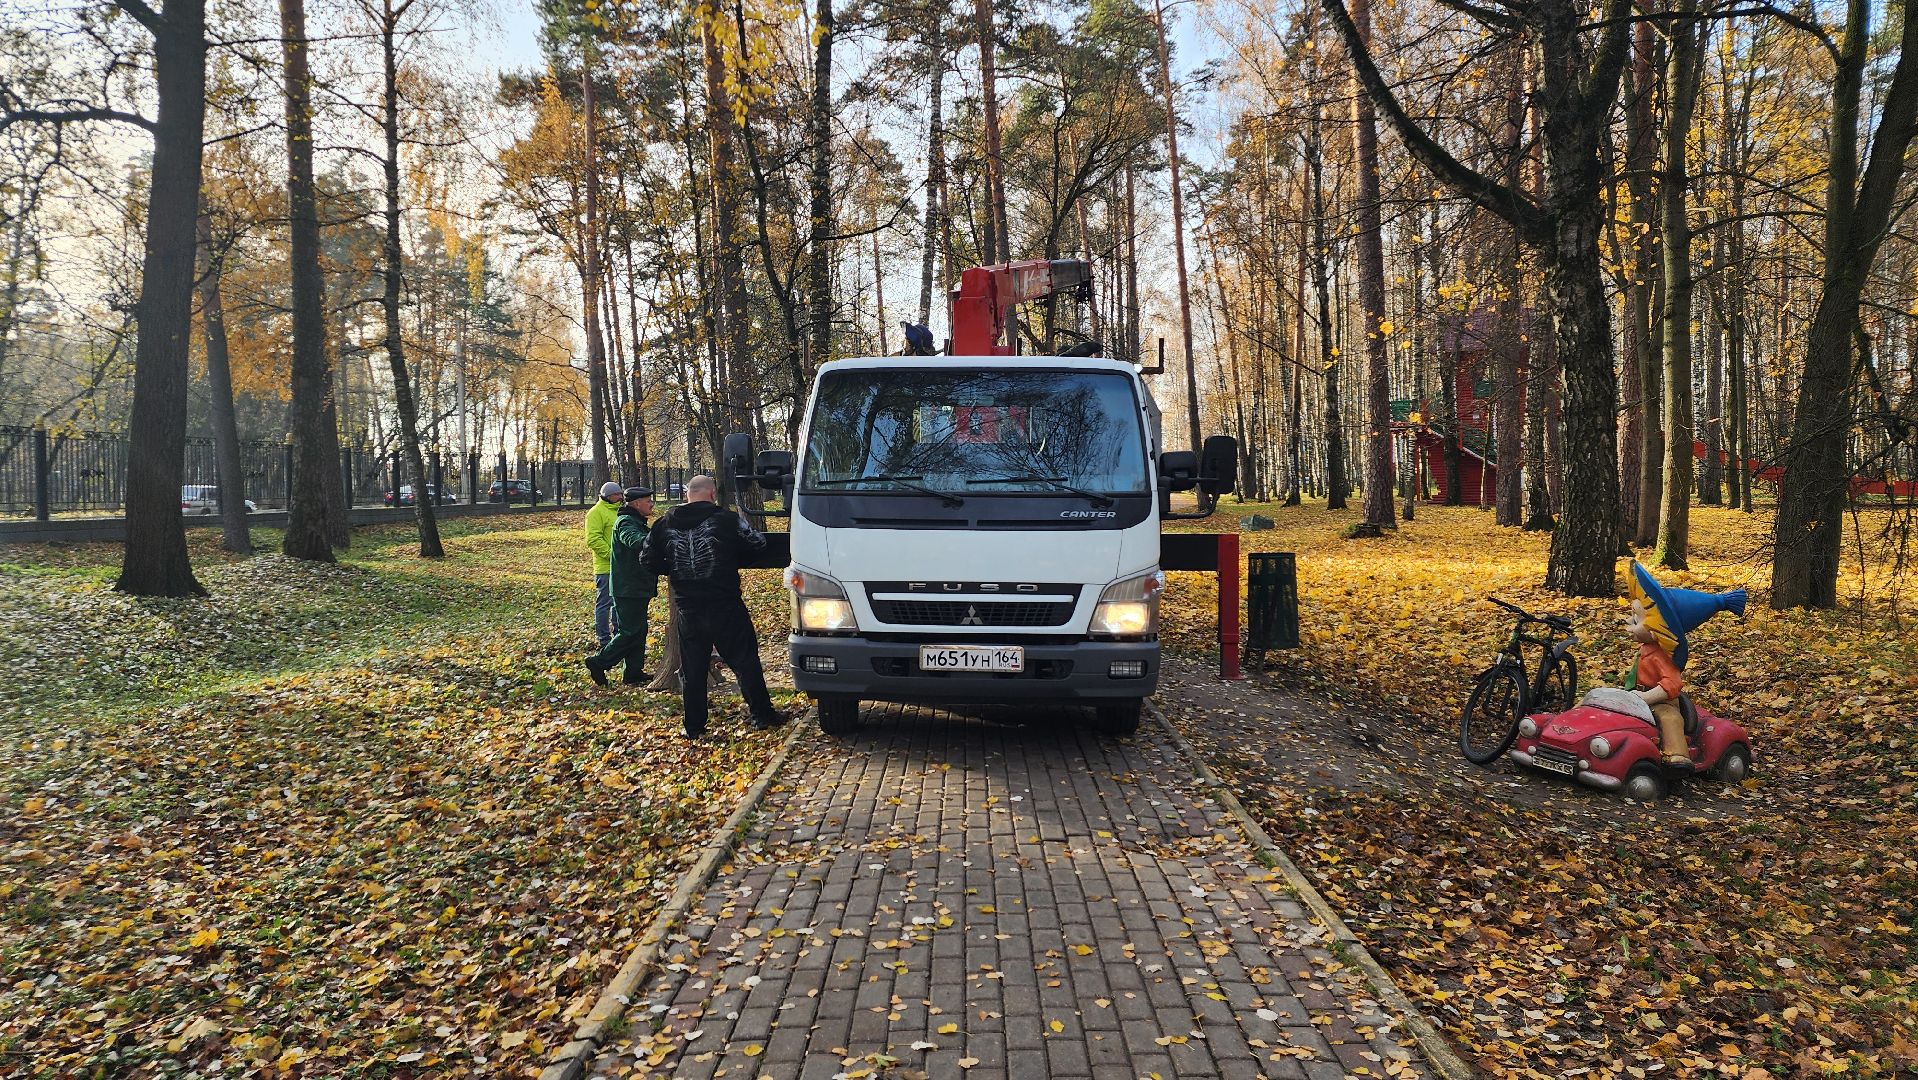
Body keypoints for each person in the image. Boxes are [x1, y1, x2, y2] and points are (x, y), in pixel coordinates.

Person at [641, 474, 784, 738]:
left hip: (688, 607)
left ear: (688, 494)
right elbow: (758, 543)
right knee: (745, 660)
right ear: (711, 494)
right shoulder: (726, 520)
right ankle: (762, 715)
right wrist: (732, 556)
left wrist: (672, 568)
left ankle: (694, 726)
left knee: (693, 668)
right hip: (725, 603)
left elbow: (647, 558)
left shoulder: (664, 524)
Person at [1621, 561, 1746, 767]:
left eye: (1636, 620)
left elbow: (1672, 684)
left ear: (1657, 628)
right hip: (1637, 696)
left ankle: (1677, 756)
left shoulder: (1663, 658)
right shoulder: (1646, 649)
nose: (1629, 625)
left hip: (1661, 701)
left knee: (1670, 718)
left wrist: (1646, 697)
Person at [585, 486, 657, 687]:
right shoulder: (626, 522)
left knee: (638, 630)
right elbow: (635, 541)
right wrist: (658, 538)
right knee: (629, 632)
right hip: (628, 588)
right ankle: (599, 662)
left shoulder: (635, 520)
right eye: (648, 500)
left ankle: (633, 672)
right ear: (635, 504)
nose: (651, 503)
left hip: (636, 586)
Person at [585, 480, 624, 647]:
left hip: (620, 566)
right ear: (608, 496)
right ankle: (604, 639)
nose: (621, 497)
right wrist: (611, 555)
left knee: (618, 602)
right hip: (605, 567)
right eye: (617, 495)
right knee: (604, 603)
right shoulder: (596, 513)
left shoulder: (620, 511)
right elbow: (593, 539)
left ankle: (617, 636)